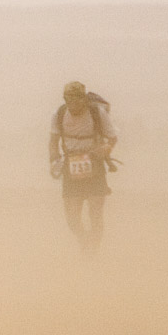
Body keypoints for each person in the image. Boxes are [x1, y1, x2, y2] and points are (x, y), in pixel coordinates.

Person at [47, 81, 118, 254]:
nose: (73, 105)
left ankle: (93, 249)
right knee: (72, 218)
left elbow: (112, 137)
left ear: (84, 99)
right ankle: (84, 240)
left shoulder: (97, 113)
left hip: (95, 165)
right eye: (69, 101)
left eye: (77, 101)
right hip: (70, 167)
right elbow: (53, 141)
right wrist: (54, 161)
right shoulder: (59, 114)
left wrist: (106, 148)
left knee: (95, 213)